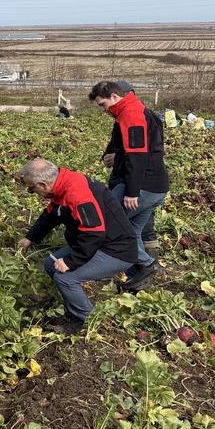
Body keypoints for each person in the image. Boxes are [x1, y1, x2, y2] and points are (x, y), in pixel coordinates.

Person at [15, 158, 138, 334]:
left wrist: (71, 262)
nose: (32, 192)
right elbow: (51, 214)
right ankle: (71, 299)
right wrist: (30, 237)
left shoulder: (77, 194)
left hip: (116, 250)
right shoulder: (63, 183)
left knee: (65, 278)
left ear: (43, 184)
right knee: (50, 264)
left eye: (31, 189)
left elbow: (95, 233)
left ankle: (85, 320)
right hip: (98, 242)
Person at [89, 81, 170, 289]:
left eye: (102, 104)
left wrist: (132, 192)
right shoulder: (135, 110)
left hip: (143, 187)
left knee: (110, 224)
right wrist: (115, 157)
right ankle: (139, 276)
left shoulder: (131, 113)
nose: (103, 109)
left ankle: (146, 265)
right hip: (155, 186)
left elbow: (138, 155)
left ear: (115, 97)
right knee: (132, 231)